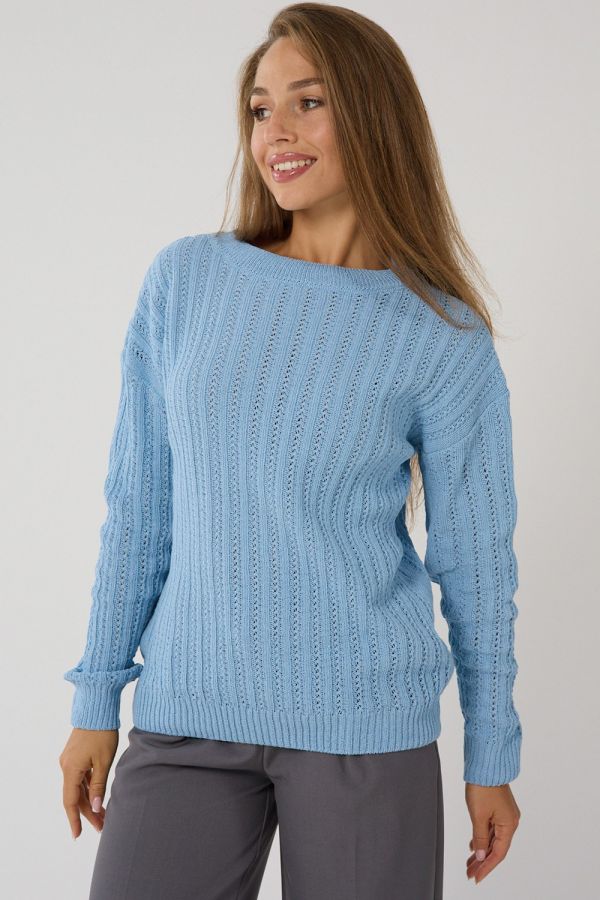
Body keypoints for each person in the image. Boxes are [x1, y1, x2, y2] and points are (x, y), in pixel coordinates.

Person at [59, 4, 523, 898]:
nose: (277, 131)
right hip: (187, 715)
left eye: (309, 102)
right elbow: (140, 511)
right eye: (260, 108)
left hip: (365, 724)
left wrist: (491, 753)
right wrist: (96, 698)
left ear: (375, 115)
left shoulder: (442, 334)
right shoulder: (186, 281)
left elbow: (476, 563)